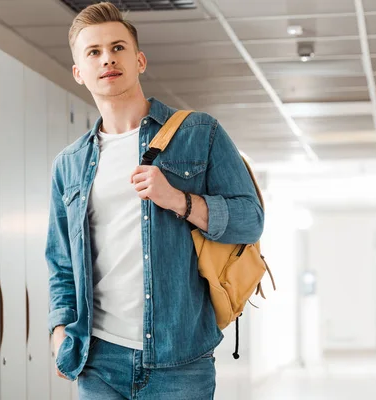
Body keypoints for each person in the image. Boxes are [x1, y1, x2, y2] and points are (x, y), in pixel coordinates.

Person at [45, 2, 264, 399]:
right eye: (93, 52)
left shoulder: (200, 133)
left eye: (118, 48)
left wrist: (179, 200)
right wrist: (60, 333)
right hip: (98, 361)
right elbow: (61, 263)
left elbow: (250, 220)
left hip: (181, 360)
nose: (107, 58)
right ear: (79, 72)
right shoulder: (70, 165)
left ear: (139, 60)